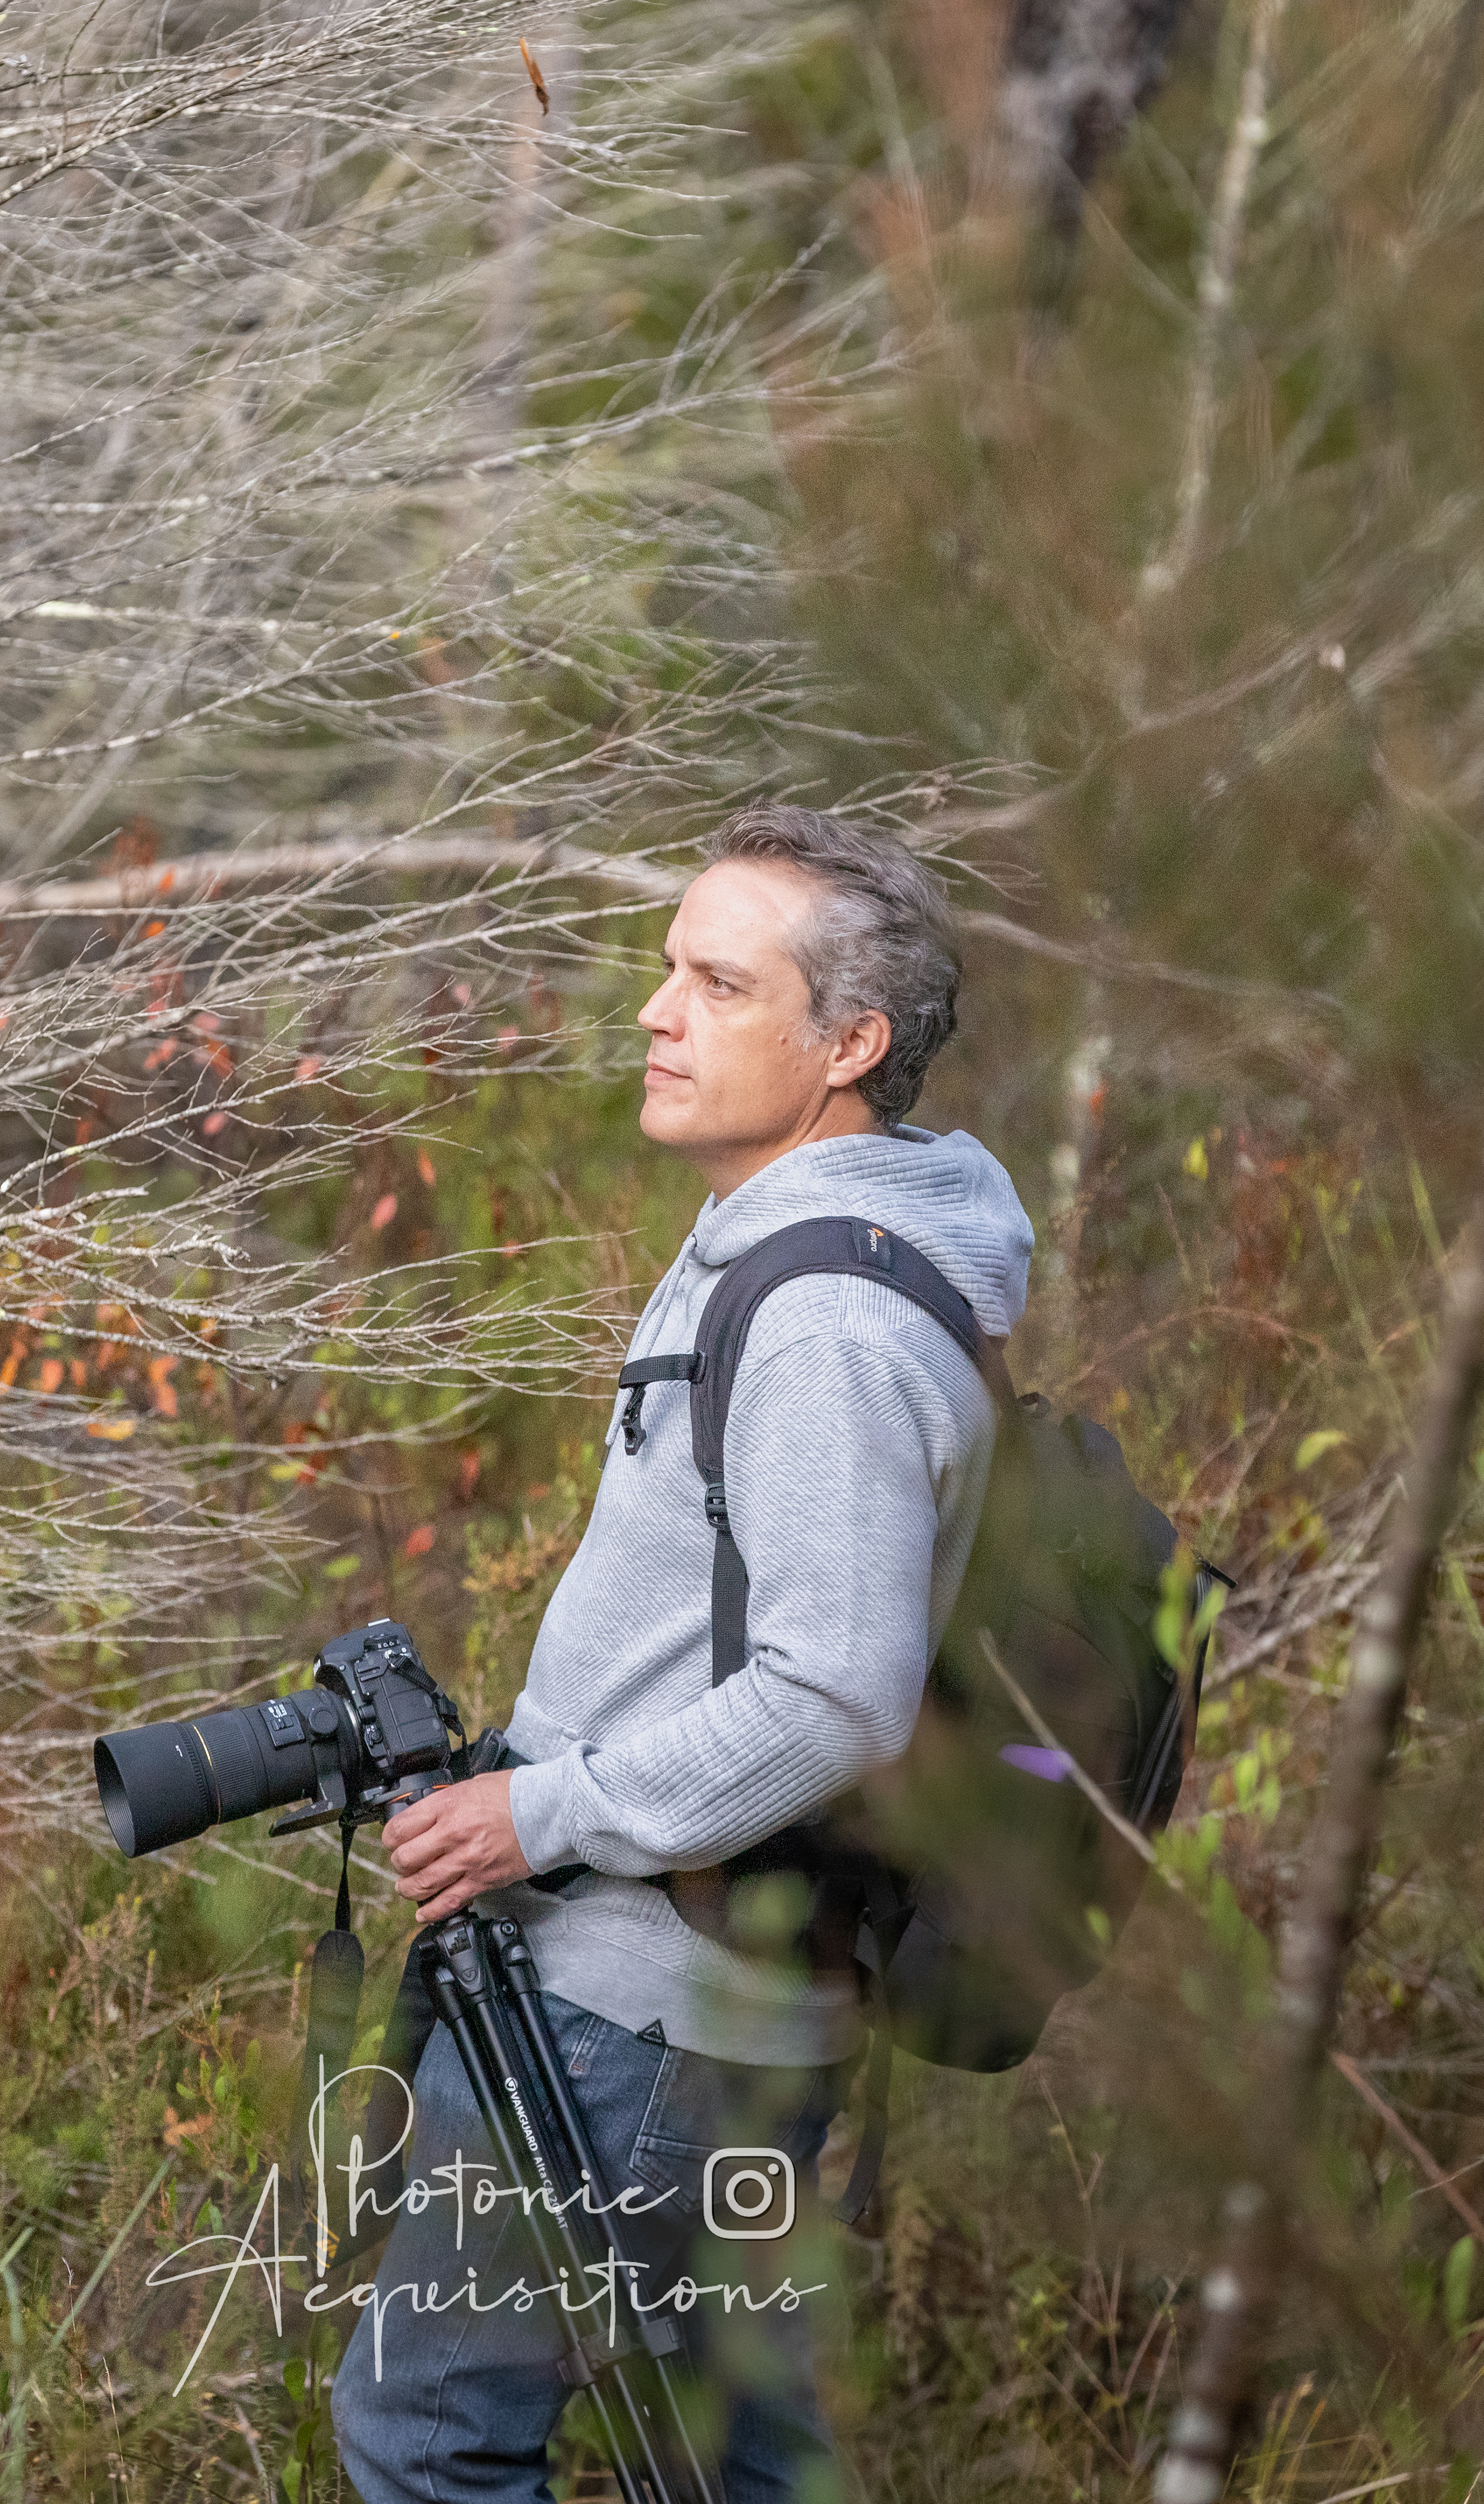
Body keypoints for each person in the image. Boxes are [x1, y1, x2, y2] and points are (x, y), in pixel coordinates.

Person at [329, 804, 1034, 2504]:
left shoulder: (830, 1323)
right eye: (668, 971)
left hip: (643, 2009)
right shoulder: (808, 1242)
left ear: (846, 1043)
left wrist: (538, 1817)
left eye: (719, 984)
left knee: (428, 2439)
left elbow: (832, 1696)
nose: (655, 1012)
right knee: (730, 2462)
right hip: (695, 1992)